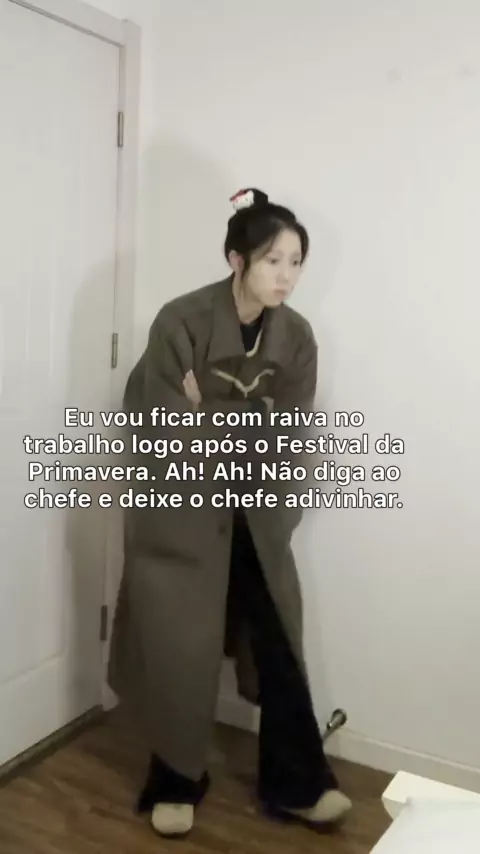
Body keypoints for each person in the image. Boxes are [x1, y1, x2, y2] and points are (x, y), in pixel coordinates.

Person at [107, 188, 352, 838]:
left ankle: (298, 784)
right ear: (236, 259)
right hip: (183, 516)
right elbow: (163, 429)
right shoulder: (180, 322)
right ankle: (175, 781)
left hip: (256, 517)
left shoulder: (296, 338)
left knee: (278, 641)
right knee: (179, 645)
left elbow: (287, 440)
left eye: (296, 262)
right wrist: (240, 428)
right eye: (273, 260)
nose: (286, 276)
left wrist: (208, 416)